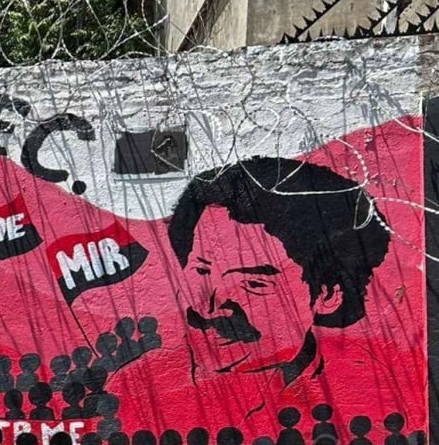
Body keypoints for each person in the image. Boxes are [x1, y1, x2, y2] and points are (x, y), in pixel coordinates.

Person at [166, 157, 390, 391]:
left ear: (328, 295)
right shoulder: (147, 387)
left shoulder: (366, 390)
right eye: (201, 270)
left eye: (253, 284)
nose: (209, 309)